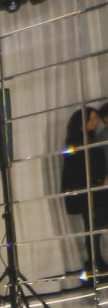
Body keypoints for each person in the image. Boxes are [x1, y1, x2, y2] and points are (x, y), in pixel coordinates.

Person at [61, 107, 107, 277]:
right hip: (86, 191)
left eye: (95, 119)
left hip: (95, 189)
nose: (94, 123)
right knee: (92, 228)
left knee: (95, 227)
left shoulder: (89, 139)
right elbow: (76, 169)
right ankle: (95, 263)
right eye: (91, 119)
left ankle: (96, 262)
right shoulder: (76, 143)